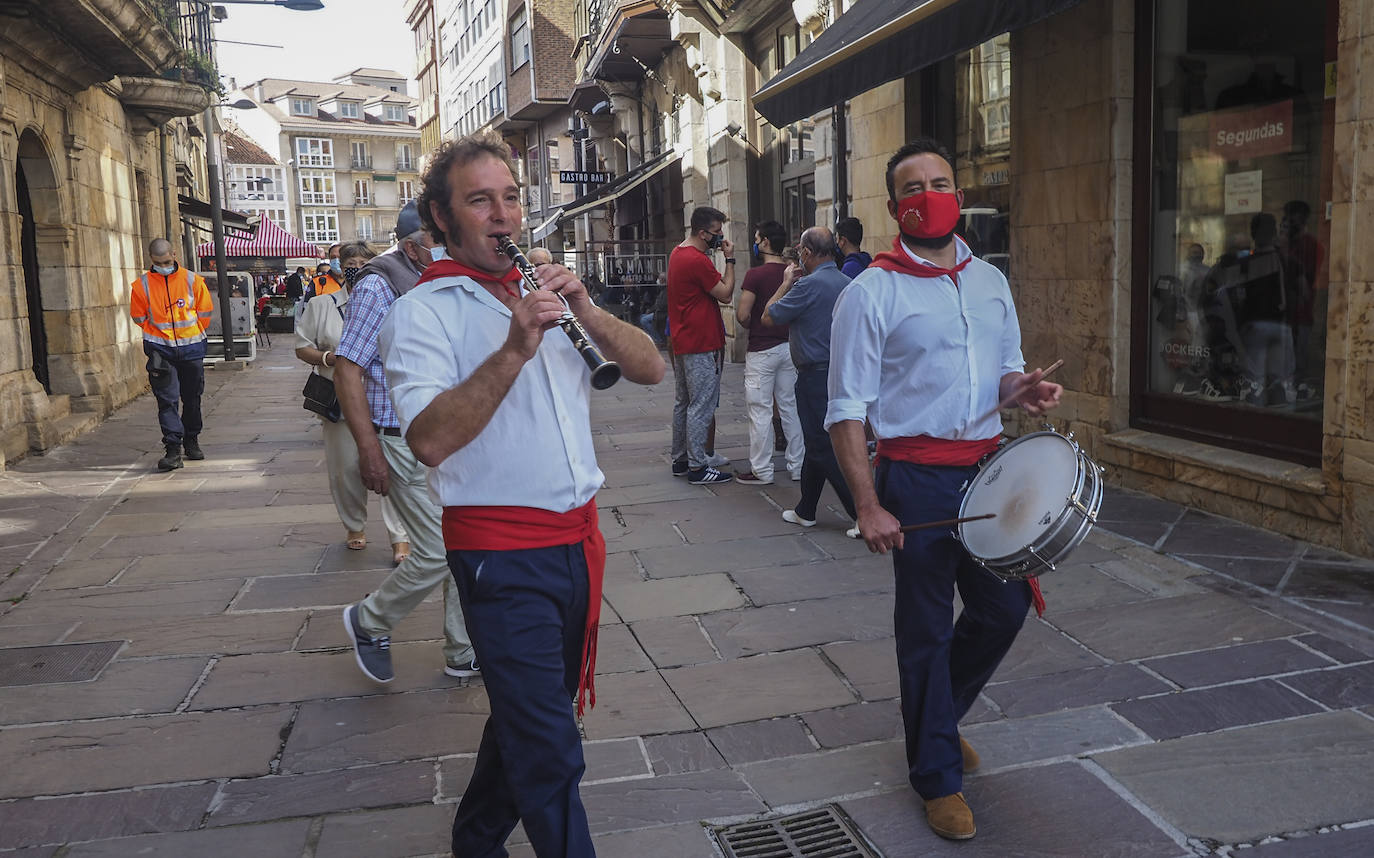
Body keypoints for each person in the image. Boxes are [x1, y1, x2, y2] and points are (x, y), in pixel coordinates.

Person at [378, 132, 664, 858]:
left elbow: (652, 369)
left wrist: (589, 313)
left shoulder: (549, 292)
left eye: (510, 198)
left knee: (526, 718)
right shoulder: (424, 313)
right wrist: (512, 348)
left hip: (577, 547)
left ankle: (476, 839)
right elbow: (430, 440)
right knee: (550, 747)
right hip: (500, 560)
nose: (502, 215)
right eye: (480, 201)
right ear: (442, 219)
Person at [826, 138, 1062, 841]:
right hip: (918, 479)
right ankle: (935, 775)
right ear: (896, 206)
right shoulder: (871, 291)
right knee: (925, 629)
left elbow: (1007, 370)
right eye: (913, 186)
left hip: (991, 471)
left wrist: (1024, 390)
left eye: (940, 180)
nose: (929, 192)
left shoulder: (990, 279)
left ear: (956, 190)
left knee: (1005, 607)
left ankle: (935, 720)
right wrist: (868, 503)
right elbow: (845, 410)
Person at [333, 202, 476, 684]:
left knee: (461, 544)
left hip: (436, 437)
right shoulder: (379, 284)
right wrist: (368, 448)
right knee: (437, 551)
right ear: (415, 244)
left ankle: (462, 650)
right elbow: (347, 369)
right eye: (439, 239)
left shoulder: (427, 278)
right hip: (397, 438)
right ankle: (370, 619)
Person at [294, 242, 412, 563]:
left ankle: (400, 536)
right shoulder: (322, 305)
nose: (356, 267)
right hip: (338, 399)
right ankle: (354, 525)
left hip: (382, 399)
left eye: (364, 262)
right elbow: (302, 347)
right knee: (346, 469)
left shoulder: (389, 297)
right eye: (350, 262)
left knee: (393, 468)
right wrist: (330, 358)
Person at [762, 227, 859, 534]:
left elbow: (769, 316)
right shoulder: (848, 282)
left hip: (815, 375)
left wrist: (785, 284)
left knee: (820, 445)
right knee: (817, 442)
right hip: (842, 373)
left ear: (805, 253)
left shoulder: (806, 286)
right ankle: (806, 509)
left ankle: (861, 512)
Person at [129, 238, 214, 471]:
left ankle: (192, 439)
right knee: (167, 400)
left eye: (167, 261)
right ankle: (173, 449)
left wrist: (191, 331)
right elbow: (138, 317)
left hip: (192, 348)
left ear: (174, 255)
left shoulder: (192, 280)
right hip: (161, 351)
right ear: (151, 260)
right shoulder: (141, 285)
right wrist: (157, 334)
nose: (163, 266)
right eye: (159, 263)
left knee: (192, 397)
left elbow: (205, 312)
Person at [667, 206, 736, 485]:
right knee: (701, 405)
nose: (720, 238)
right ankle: (698, 466)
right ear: (702, 232)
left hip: (684, 339)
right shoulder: (697, 260)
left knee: (683, 401)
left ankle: (681, 459)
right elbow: (726, 294)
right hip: (701, 341)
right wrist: (730, 261)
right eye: (717, 233)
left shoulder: (677, 253)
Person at [735, 220, 803, 485]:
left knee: (760, 410)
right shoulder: (794, 273)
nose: (755, 242)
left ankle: (762, 470)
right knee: (790, 408)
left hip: (761, 351)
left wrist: (751, 321)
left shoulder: (755, 275)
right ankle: (798, 467)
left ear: (764, 242)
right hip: (789, 348)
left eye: (756, 238)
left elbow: (742, 315)